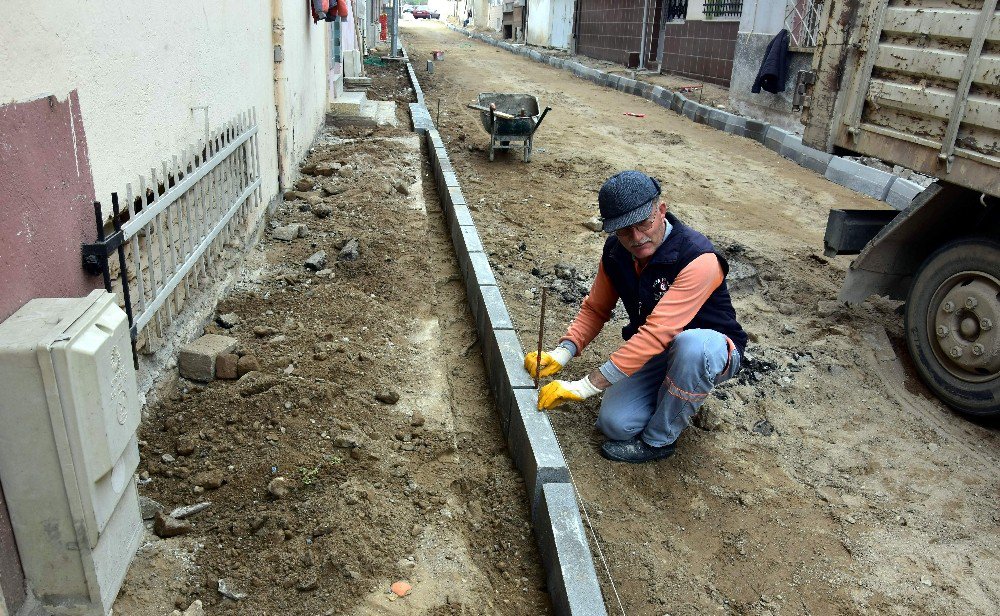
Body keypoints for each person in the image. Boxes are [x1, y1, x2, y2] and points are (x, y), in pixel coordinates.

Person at [525, 170, 747, 463]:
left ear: (662, 210)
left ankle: (659, 441)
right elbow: (596, 308)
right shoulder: (617, 252)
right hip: (659, 351)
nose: (637, 237)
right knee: (616, 425)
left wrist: (585, 386)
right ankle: (676, 393)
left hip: (711, 351)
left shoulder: (698, 259)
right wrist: (563, 352)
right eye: (624, 230)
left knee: (694, 347)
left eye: (645, 223)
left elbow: (658, 332)